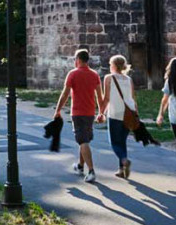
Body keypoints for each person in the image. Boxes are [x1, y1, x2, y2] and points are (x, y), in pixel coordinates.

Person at [52, 48, 104, 183]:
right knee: (84, 139)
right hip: (90, 113)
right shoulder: (94, 75)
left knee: (83, 141)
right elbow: (100, 96)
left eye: (75, 59)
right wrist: (101, 112)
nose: (74, 61)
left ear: (78, 60)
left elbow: (65, 94)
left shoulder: (72, 74)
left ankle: (91, 171)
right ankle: (80, 166)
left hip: (78, 112)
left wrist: (58, 110)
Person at [101, 54, 138, 179]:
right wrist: (136, 113)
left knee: (114, 142)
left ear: (114, 65)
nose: (109, 66)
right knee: (122, 141)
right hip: (129, 113)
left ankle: (124, 160)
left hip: (115, 112)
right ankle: (122, 169)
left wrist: (101, 112)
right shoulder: (129, 79)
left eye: (111, 64)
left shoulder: (108, 78)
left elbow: (106, 98)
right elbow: (133, 97)